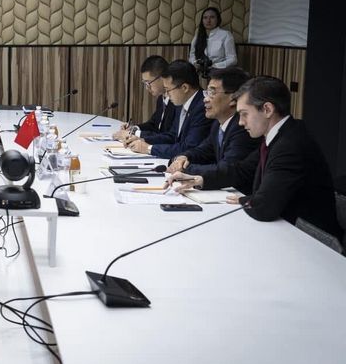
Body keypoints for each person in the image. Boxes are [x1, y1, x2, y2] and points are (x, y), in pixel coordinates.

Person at [167, 76, 342, 239]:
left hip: (310, 240)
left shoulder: (290, 145)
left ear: (267, 109)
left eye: (244, 114)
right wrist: (199, 179)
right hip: (286, 229)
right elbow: (242, 169)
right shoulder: (281, 135)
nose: (241, 122)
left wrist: (245, 200)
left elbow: (264, 206)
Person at [168, 67, 259, 178]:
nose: (205, 99)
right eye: (206, 93)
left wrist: (186, 169)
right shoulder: (217, 124)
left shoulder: (242, 127)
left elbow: (228, 169)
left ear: (233, 98)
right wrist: (184, 158)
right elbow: (203, 151)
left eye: (212, 92)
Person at [125, 60, 212, 159]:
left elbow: (188, 148)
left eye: (168, 90)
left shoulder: (203, 107)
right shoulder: (182, 102)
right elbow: (172, 136)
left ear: (184, 88)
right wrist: (144, 140)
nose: (166, 94)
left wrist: (149, 148)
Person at [113, 55, 175, 142]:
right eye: (145, 83)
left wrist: (134, 133)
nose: (147, 88)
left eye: (148, 83)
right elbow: (153, 125)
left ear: (162, 78)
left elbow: (167, 136)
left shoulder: (176, 102)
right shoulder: (161, 99)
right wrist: (134, 128)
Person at [189, 7, 237, 78]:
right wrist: (195, 63)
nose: (208, 20)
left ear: (218, 19)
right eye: (205, 18)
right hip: (199, 74)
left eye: (212, 17)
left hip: (219, 73)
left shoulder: (226, 35)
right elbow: (192, 55)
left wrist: (215, 66)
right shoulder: (197, 36)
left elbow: (233, 59)